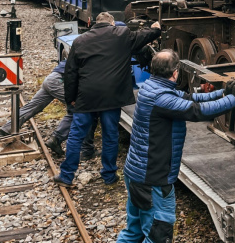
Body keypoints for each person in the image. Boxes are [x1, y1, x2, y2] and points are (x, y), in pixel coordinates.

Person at [116, 49, 235, 243]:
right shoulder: (162, 98)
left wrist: (223, 93)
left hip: (136, 173)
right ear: (175, 72)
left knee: (133, 232)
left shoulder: (151, 87)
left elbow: (189, 98)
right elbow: (197, 111)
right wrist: (233, 99)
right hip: (153, 178)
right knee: (158, 236)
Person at [55, 12, 161, 187]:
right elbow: (144, 36)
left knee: (76, 136)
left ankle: (67, 176)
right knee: (110, 135)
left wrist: (70, 99)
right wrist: (155, 30)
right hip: (112, 97)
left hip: (86, 95)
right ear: (112, 23)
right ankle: (109, 175)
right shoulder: (122, 34)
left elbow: (71, 73)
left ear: (95, 24)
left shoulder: (80, 41)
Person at [0, 47, 94, 158]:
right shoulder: (91, 60)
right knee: (81, 109)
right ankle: (59, 139)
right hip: (59, 81)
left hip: (51, 79)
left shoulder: (80, 53)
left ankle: (7, 128)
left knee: (33, 106)